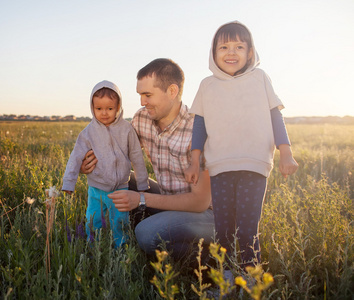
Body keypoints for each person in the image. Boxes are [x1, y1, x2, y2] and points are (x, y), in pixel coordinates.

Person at [184, 21, 298, 278]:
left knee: (247, 228)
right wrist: (194, 161)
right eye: (223, 46)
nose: (231, 52)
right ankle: (225, 282)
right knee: (223, 227)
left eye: (239, 46)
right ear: (213, 53)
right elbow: (199, 125)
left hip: (254, 165)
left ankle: (249, 282)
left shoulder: (260, 78)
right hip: (220, 166)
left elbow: (275, 117)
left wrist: (286, 152)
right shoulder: (207, 85)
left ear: (250, 52)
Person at [81, 59, 215, 260]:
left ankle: (211, 256)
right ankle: (110, 234)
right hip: (168, 196)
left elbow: (200, 202)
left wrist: (141, 200)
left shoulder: (198, 131)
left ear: (172, 91)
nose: (142, 102)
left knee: (145, 234)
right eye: (140, 95)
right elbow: (118, 153)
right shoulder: (142, 118)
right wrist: (87, 164)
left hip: (207, 215)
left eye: (148, 95)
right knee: (126, 179)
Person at [62, 80, 149, 248]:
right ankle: (92, 247)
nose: (104, 113)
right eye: (99, 108)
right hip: (96, 188)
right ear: (92, 108)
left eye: (110, 108)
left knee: (120, 222)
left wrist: (142, 182)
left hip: (121, 188)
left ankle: (121, 249)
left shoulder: (126, 129)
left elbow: (137, 156)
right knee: (93, 220)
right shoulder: (88, 133)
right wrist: (69, 182)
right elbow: (75, 158)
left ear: (118, 107)